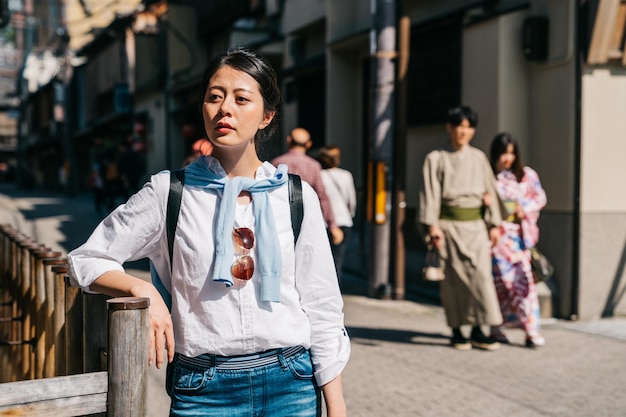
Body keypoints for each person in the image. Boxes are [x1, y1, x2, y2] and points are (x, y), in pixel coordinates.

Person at [67, 47, 350, 417]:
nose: (224, 108)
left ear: (267, 116)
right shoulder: (169, 193)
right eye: (214, 96)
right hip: (203, 390)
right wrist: (143, 290)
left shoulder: (296, 195)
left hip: (292, 385)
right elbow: (86, 258)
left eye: (241, 98)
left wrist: (337, 405)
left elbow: (322, 305)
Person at [418, 105, 504, 351]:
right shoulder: (436, 158)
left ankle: (480, 329)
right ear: (449, 127)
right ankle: (457, 330)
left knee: (481, 278)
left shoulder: (479, 158)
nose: (464, 132)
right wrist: (433, 226)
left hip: (476, 226)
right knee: (454, 281)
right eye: (459, 126)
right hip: (449, 227)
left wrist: (494, 224)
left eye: (469, 127)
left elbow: (491, 191)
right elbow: (430, 194)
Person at [488, 132, 547, 348]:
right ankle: (496, 327)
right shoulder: (490, 177)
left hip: (520, 238)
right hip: (498, 238)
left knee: (524, 285)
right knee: (499, 285)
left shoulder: (527, 175)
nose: (507, 158)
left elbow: (540, 197)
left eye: (511, 153)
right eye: (503, 153)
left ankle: (531, 330)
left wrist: (526, 207)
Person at [271, 128, 344, 246]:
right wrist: (332, 225)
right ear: (308, 144)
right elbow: (322, 196)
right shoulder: (313, 165)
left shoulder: (276, 163)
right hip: (307, 217)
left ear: (289, 140)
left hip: (281, 218)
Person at [318, 146, 357, 282]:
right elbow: (351, 200)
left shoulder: (319, 175)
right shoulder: (346, 175)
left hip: (323, 222)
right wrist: (349, 214)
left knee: (323, 260)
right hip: (343, 220)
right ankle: (336, 290)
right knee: (338, 260)